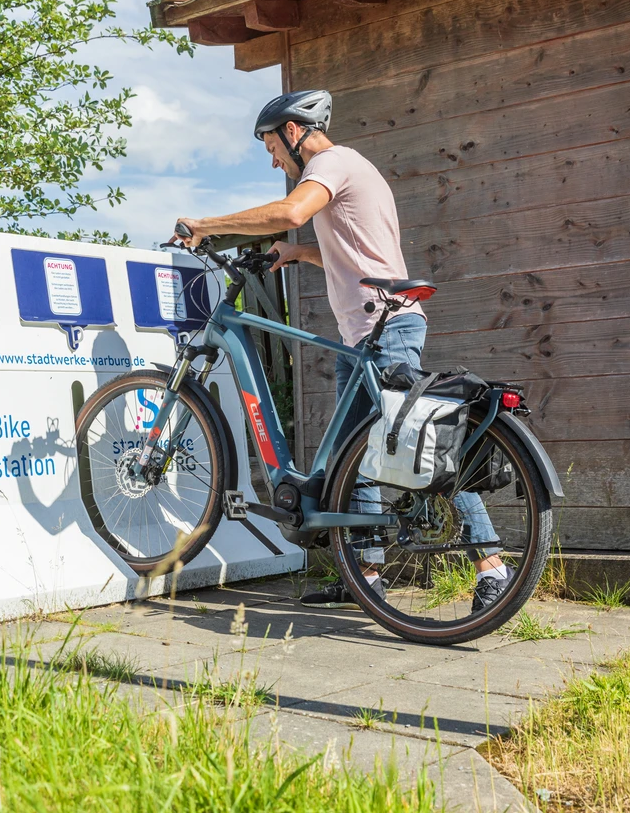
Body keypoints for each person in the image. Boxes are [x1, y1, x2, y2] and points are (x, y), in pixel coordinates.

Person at [171, 89, 512, 612]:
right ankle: (365, 577)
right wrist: (298, 252)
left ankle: (492, 567)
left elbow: (291, 211)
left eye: (271, 147)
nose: (273, 160)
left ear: (292, 131)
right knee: (358, 458)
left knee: (421, 444)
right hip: (365, 334)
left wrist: (205, 225)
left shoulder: (331, 163)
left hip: (384, 327)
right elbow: (355, 250)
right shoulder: (352, 169)